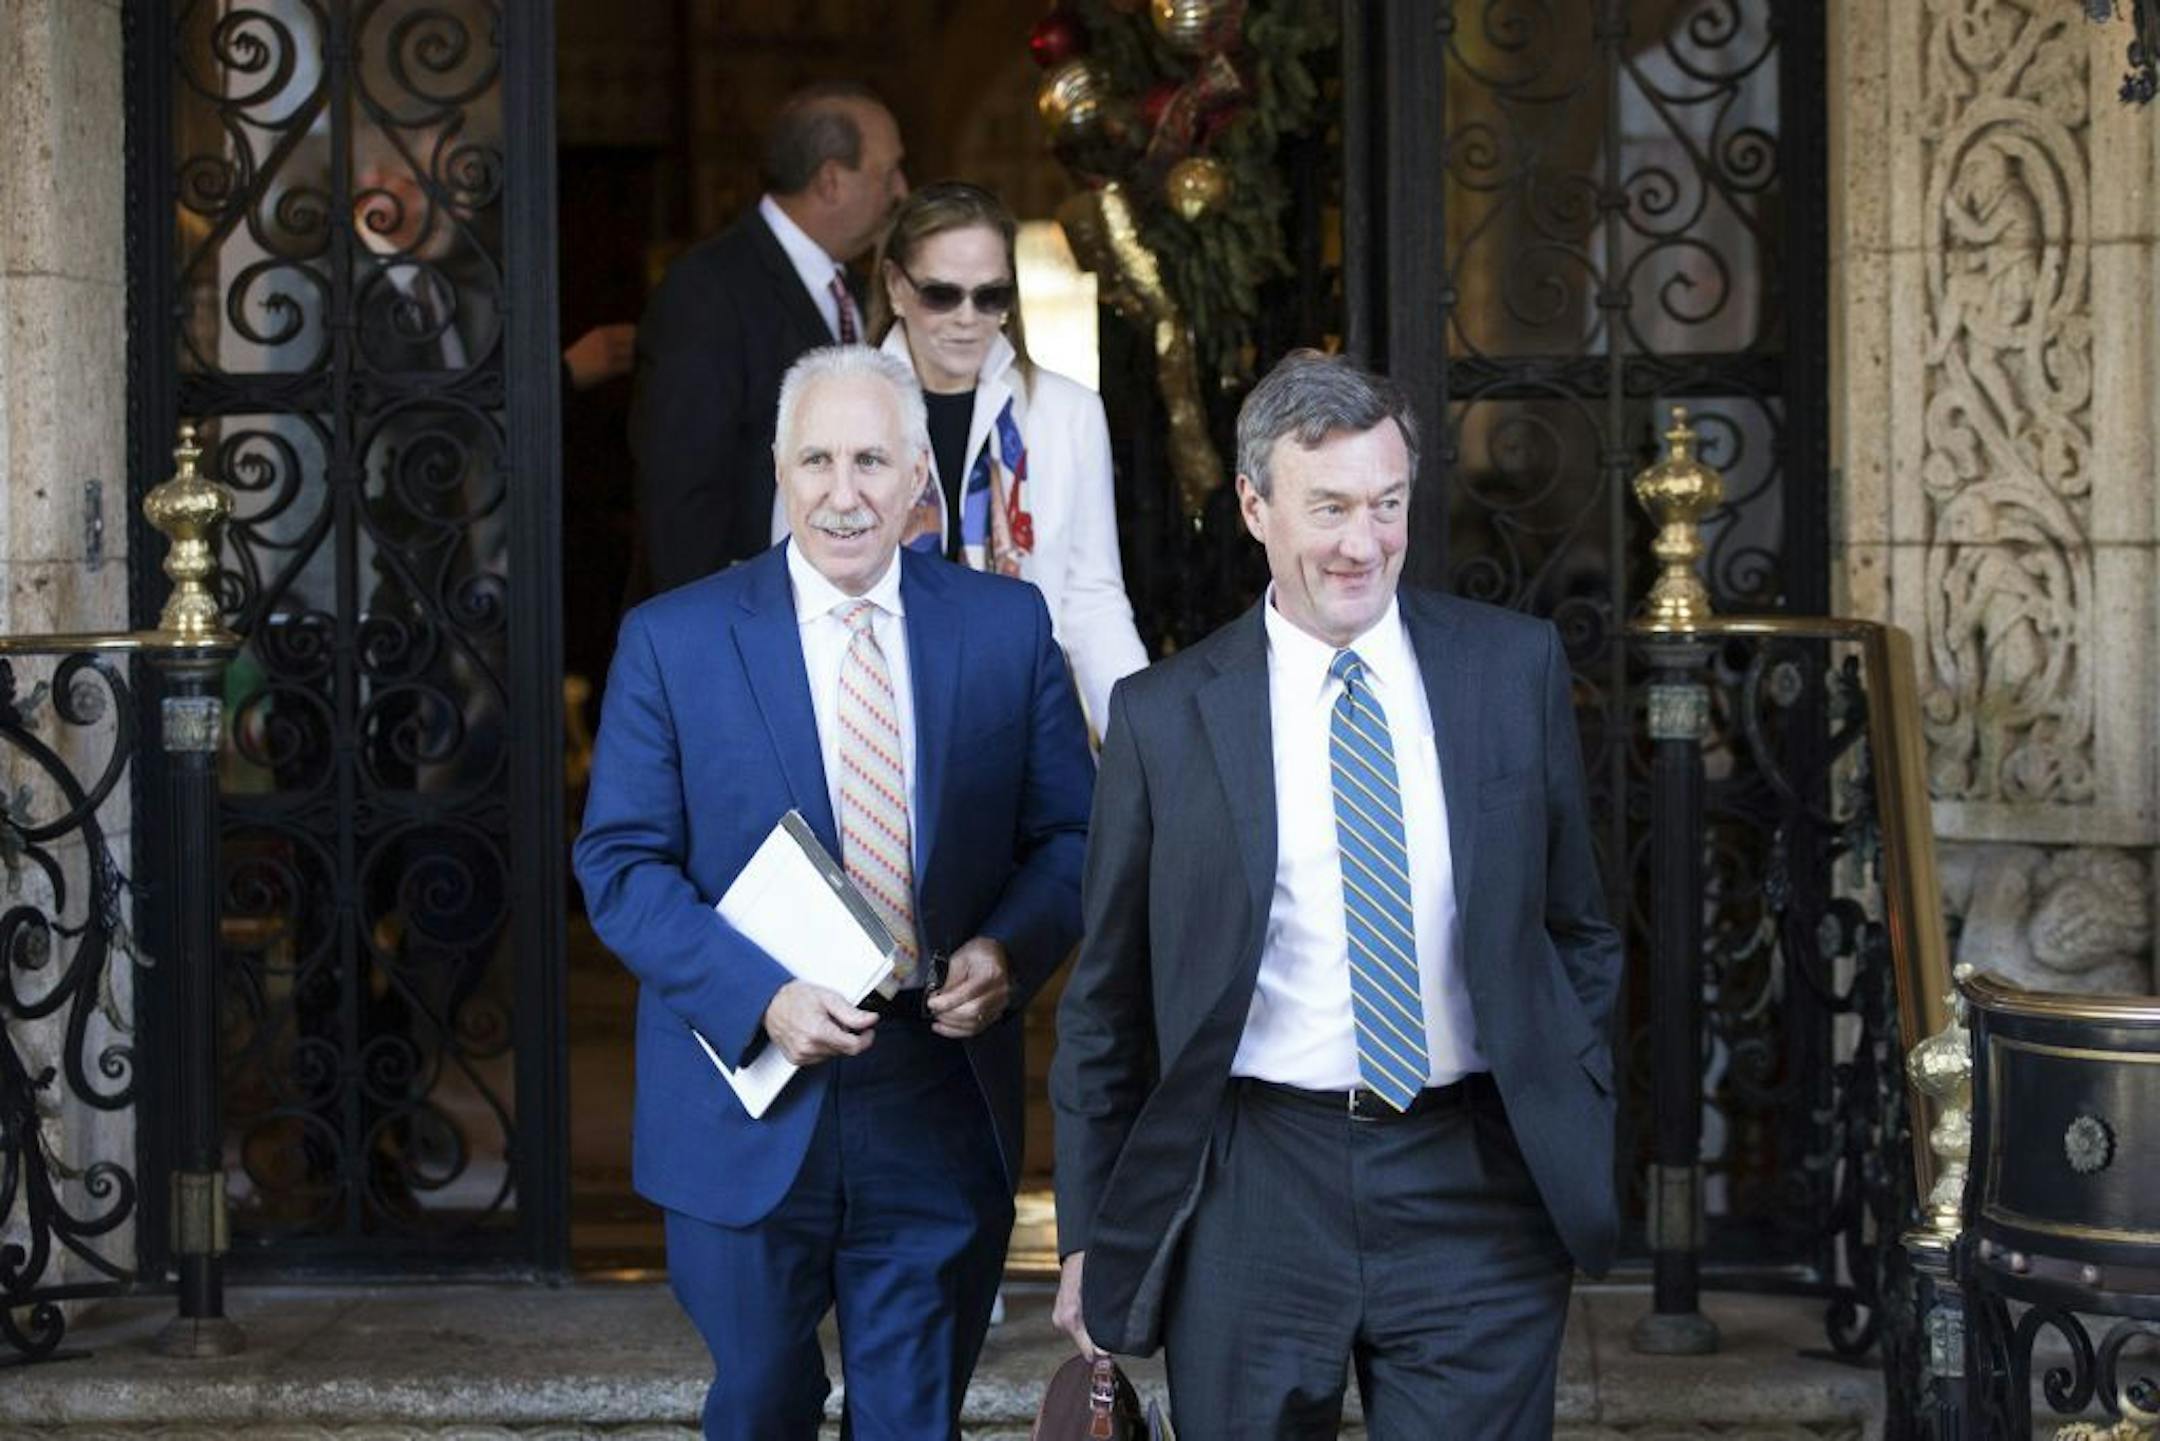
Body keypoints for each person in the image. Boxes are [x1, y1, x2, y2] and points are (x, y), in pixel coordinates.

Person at [1049, 351, 1623, 1440]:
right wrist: (1089, 1228)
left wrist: (1568, 1092)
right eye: (1330, 508)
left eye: (1387, 504)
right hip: (1256, 1184)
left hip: (1477, 1181)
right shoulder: (1164, 718)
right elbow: (1107, 1001)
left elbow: (1577, 927)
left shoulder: (1513, 669)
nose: (1364, 543)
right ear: (1256, 507)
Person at [575, 345, 1094, 1440]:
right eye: (816, 459)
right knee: (760, 1405)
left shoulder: (1004, 628)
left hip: (935, 1091)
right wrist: (760, 995)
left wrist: (1009, 951)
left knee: (913, 1419)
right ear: (778, 467)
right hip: (748, 1092)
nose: (842, 492)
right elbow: (620, 865)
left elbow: (1072, 835)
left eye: (872, 460)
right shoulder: (675, 640)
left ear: (919, 478)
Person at [776, 181, 1146, 730]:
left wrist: (1147, 746)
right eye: (942, 294)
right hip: (866, 714)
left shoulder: (1068, 413)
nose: (968, 317)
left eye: (991, 295)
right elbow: (791, 581)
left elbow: (1091, 599)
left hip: (1018, 711)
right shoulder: (830, 405)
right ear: (898, 288)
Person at [630, 83, 908, 595]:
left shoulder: (848, 283)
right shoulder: (708, 290)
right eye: (887, 171)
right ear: (830, 181)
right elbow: (682, 491)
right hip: (740, 621)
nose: (900, 191)